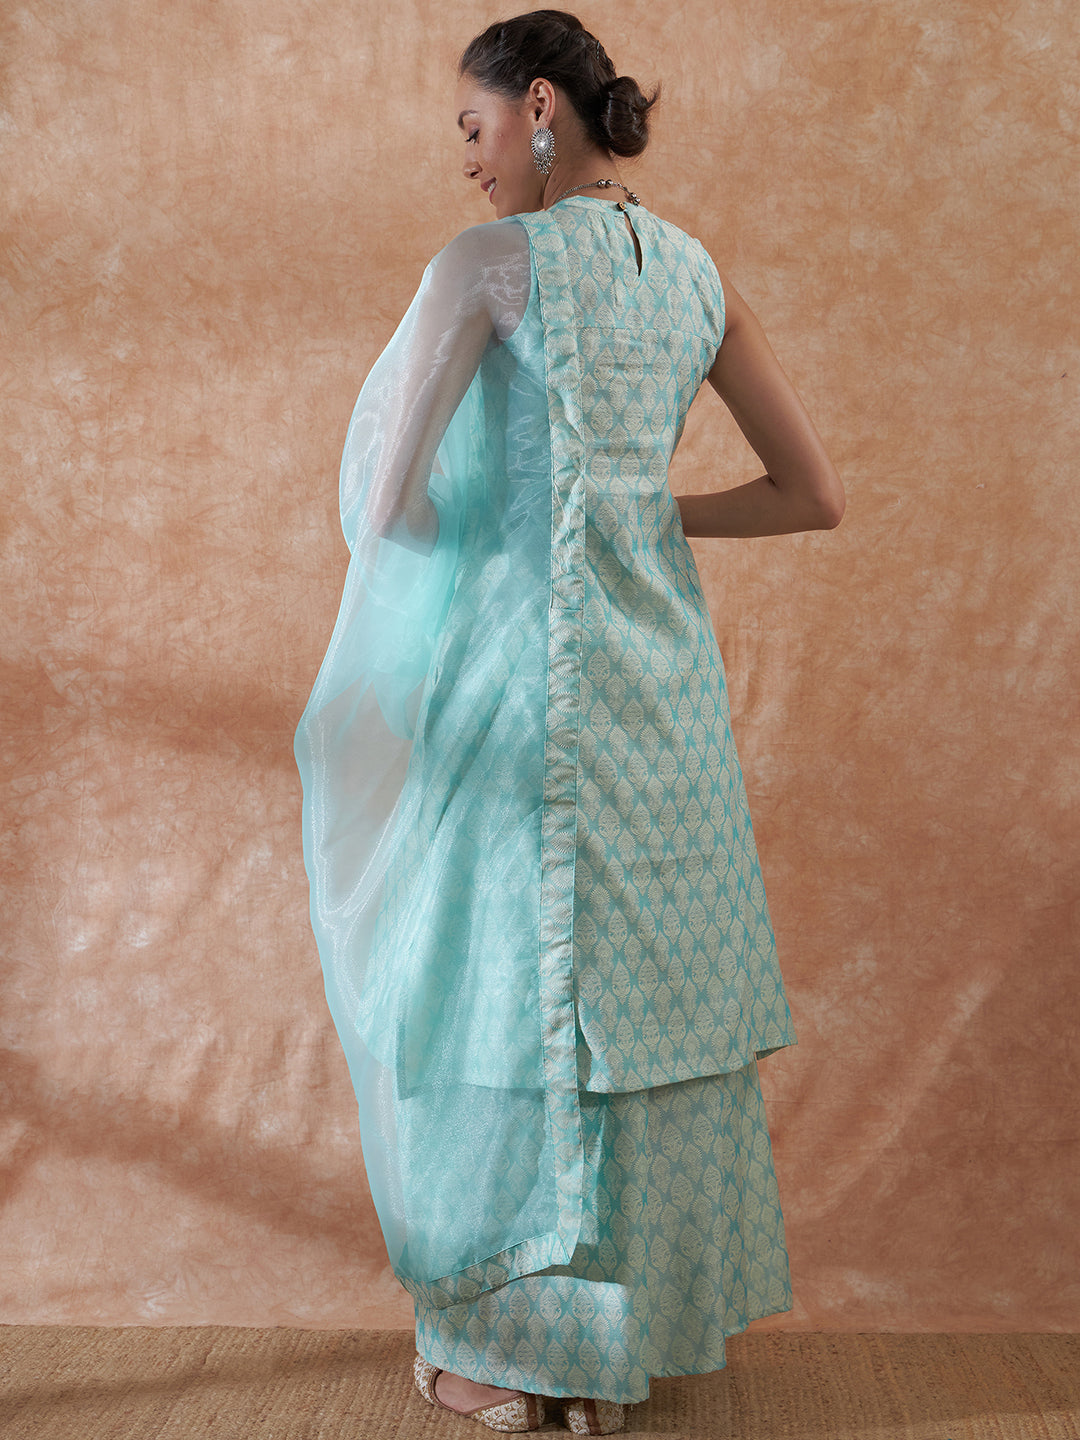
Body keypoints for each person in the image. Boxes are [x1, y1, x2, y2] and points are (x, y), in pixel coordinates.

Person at [294, 9, 844, 1435]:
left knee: (494, 987)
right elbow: (812, 495)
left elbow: (384, 507)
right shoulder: (699, 275)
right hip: (664, 703)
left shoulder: (489, 265)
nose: (469, 162)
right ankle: (619, 1354)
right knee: (642, 1006)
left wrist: (498, 532)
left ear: (540, 105)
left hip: (520, 696)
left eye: (474, 127)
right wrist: (641, 510)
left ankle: (505, 1360)